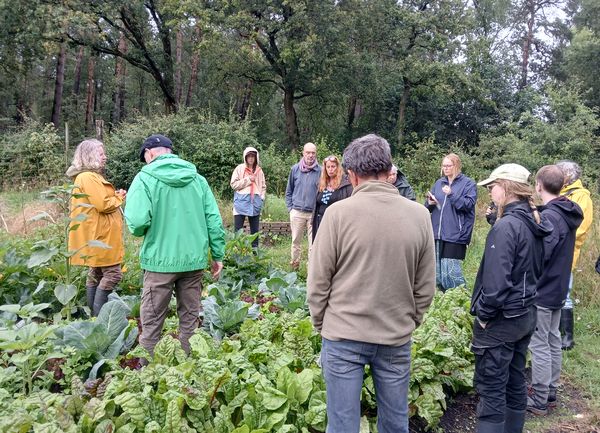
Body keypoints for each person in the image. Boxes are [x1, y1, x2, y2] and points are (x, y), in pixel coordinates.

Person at [307, 134, 435, 433]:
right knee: (394, 423)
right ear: (389, 168)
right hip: (395, 335)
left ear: (350, 173)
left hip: (342, 335)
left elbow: (318, 280)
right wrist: (410, 320)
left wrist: (320, 322)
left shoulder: (338, 214)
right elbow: (426, 283)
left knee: (342, 425)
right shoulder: (419, 215)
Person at [124, 134, 225, 356]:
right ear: (170, 152)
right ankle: (189, 366)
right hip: (193, 261)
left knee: (152, 322)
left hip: (160, 262)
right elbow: (214, 221)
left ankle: (148, 374)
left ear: (149, 154)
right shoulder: (197, 179)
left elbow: (138, 223)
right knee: (189, 320)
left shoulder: (143, 179)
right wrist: (217, 255)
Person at [472, 164, 553, 433]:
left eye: (491, 186)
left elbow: (496, 284)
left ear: (506, 188)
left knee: (491, 388)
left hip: (502, 321)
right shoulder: (534, 220)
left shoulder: (507, 227)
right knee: (515, 380)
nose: (489, 192)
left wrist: (484, 315)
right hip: (524, 315)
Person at [527, 165, 583, 415]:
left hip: (544, 289)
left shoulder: (551, 216)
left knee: (539, 343)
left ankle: (539, 398)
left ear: (539, 185)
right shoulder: (567, 211)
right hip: (559, 288)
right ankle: (550, 390)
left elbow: (543, 254)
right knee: (552, 339)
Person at [66, 139, 126, 317]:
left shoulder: (88, 176)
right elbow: (102, 204)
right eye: (101, 153)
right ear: (90, 155)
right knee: (113, 274)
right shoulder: (88, 177)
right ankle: (99, 316)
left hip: (95, 233)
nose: (105, 157)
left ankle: (92, 317)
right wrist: (119, 197)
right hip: (100, 235)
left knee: (96, 273)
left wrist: (114, 196)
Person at [555, 160, 594, 350]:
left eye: (558, 173)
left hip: (567, 250)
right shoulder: (559, 193)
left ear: (568, 176)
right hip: (553, 250)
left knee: (565, 292)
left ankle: (567, 337)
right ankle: (553, 331)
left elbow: (581, 228)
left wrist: (559, 237)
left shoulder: (582, 196)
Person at [426, 153, 477, 291]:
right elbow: (431, 207)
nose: (445, 168)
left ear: (457, 166)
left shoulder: (468, 184)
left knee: (452, 274)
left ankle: (462, 301)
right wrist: (430, 202)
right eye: (443, 166)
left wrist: (452, 194)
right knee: (439, 274)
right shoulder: (439, 183)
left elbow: (468, 205)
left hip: (456, 234)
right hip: (438, 233)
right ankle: (445, 304)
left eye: (449, 165)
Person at [285, 142, 321, 270]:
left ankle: (311, 270)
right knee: (296, 242)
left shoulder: (320, 171)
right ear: (303, 153)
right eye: (308, 153)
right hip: (297, 212)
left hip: (313, 213)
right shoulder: (295, 169)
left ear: (316, 154)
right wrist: (290, 209)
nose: (310, 155)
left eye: (313, 153)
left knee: (314, 243)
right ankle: (294, 266)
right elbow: (289, 190)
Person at [230, 147, 266, 248]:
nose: (251, 158)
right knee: (238, 232)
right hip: (240, 203)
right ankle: (236, 255)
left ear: (256, 158)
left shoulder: (259, 171)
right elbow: (233, 184)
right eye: (249, 156)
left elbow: (263, 186)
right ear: (245, 157)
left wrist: (261, 197)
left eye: (253, 156)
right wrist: (248, 180)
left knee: (255, 231)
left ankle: (255, 256)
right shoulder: (239, 168)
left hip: (255, 203)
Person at [311, 155, 353, 241]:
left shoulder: (345, 183)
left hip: (336, 222)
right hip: (320, 220)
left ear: (338, 167)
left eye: (333, 166)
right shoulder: (322, 183)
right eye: (328, 167)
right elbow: (317, 204)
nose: (330, 169)